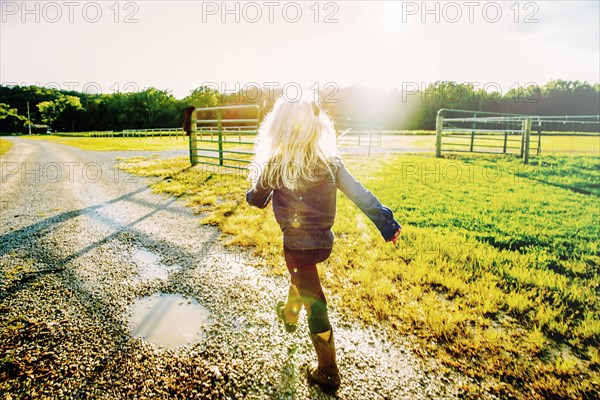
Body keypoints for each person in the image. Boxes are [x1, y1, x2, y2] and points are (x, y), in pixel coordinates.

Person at [246, 96, 401, 391]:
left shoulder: (277, 163)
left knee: (315, 301)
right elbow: (360, 194)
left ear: (281, 129)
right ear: (317, 128)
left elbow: (257, 199)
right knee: (304, 278)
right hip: (323, 245)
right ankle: (290, 314)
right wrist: (387, 224)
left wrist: (251, 196)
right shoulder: (331, 163)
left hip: (296, 247)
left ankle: (328, 372)